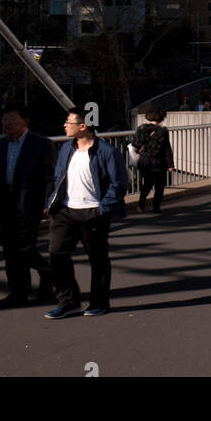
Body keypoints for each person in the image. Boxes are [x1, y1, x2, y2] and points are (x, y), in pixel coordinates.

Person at [44, 108, 128, 319]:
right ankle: (68, 301)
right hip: (65, 211)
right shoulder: (65, 149)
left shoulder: (107, 151)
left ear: (83, 126)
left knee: (98, 259)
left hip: (92, 213)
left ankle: (99, 302)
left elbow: (118, 185)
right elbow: (58, 178)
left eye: (68, 122)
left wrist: (102, 209)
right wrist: (53, 200)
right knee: (56, 254)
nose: (64, 125)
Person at [0, 105, 55, 307]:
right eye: (4, 119)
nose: (7, 123)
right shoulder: (0, 145)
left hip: (30, 204)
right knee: (9, 250)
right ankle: (18, 292)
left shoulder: (41, 144)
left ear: (25, 121)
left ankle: (48, 273)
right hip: (5, 204)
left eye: (12, 119)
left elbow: (49, 177)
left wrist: (49, 201)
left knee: (24, 246)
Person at [133, 106, 175, 213]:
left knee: (146, 183)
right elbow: (166, 149)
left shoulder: (141, 129)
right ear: (161, 118)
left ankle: (141, 204)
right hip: (158, 161)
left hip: (145, 160)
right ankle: (156, 207)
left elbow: (136, 144)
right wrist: (170, 164)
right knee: (159, 186)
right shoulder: (162, 131)